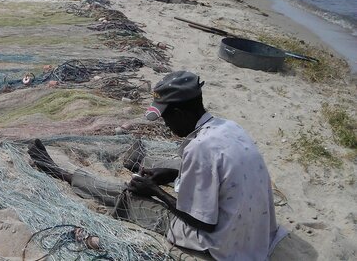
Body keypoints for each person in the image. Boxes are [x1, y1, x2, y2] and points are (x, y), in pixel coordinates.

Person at [28, 71, 287, 260]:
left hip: (220, 241)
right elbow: (217, 173)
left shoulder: (199, 148)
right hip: (256, 231)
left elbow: (203, 224)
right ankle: (139, 165)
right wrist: (173, 174)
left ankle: (59, 172)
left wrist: (156, 192)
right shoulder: (228, 127)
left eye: (166, 118)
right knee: (168, 165)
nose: (165, 125)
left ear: (179, 114)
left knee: (125, 195)